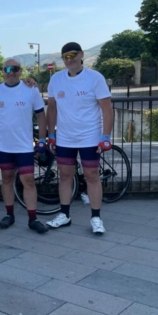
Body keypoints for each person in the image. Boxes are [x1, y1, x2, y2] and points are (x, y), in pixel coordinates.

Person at [46, 42, 113, 234]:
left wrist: (106, 136)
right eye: (65, 56)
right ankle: (64, 215)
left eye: (73, 55)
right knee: (65, 176)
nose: (69, 59)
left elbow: (107, 109)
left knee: (92, 176)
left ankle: (96, 218)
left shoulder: (95, 78)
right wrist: (51, 135)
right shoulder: (56, 79)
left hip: (89, 136)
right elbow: (52, 109)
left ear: (81, 55)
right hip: (65, 137)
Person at [0, 58, 49, 234]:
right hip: (3, 145)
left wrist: (42, 140)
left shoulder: (31, 89)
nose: (11, 72)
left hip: (24, 145)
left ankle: (33, 219)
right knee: (7, 178)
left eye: (15, 69)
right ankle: (9, 215)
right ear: (3, 71)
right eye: (7, 69)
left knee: (28, 180)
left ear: (21, 71)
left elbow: (41, 116)